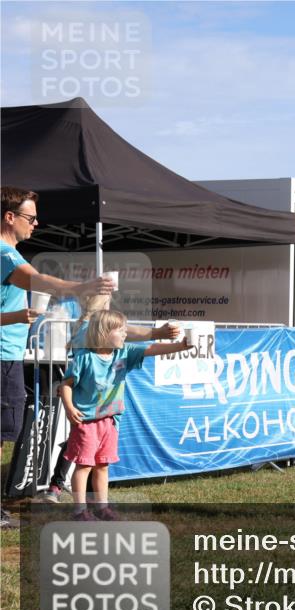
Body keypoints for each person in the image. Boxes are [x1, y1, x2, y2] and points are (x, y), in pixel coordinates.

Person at [2, 186, 113, 529]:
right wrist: (76, 289)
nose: (36, 224)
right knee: (5, 432)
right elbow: (38, 280)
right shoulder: (7, 256)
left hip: (7, 354)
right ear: (9, 217)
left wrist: (15, 317)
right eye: (31, 217)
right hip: (3, 357)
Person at [39, 294, 179, 503]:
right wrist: (157, 332)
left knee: (97, 463)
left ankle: (91, 501)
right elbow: (129, 333)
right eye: (107, 300)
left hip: (107, 417)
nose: (125, 333)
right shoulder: (88, 335)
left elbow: (140, 342)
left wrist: (175, 342)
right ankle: (69, 497)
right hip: (86, 414)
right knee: (82, 460)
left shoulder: (111, 343)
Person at [59, 310, 192, 520]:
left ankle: (102, 508)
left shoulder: (124, 352)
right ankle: (79, 511)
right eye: (120, 331)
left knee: (102, 466)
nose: (125, 335)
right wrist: (69, 407)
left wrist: (180, 346)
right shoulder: (84, 357)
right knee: (84, 466)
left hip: (110, 421)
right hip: (86, 422)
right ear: (103, 332)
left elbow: (152, 348)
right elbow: (65, 385)